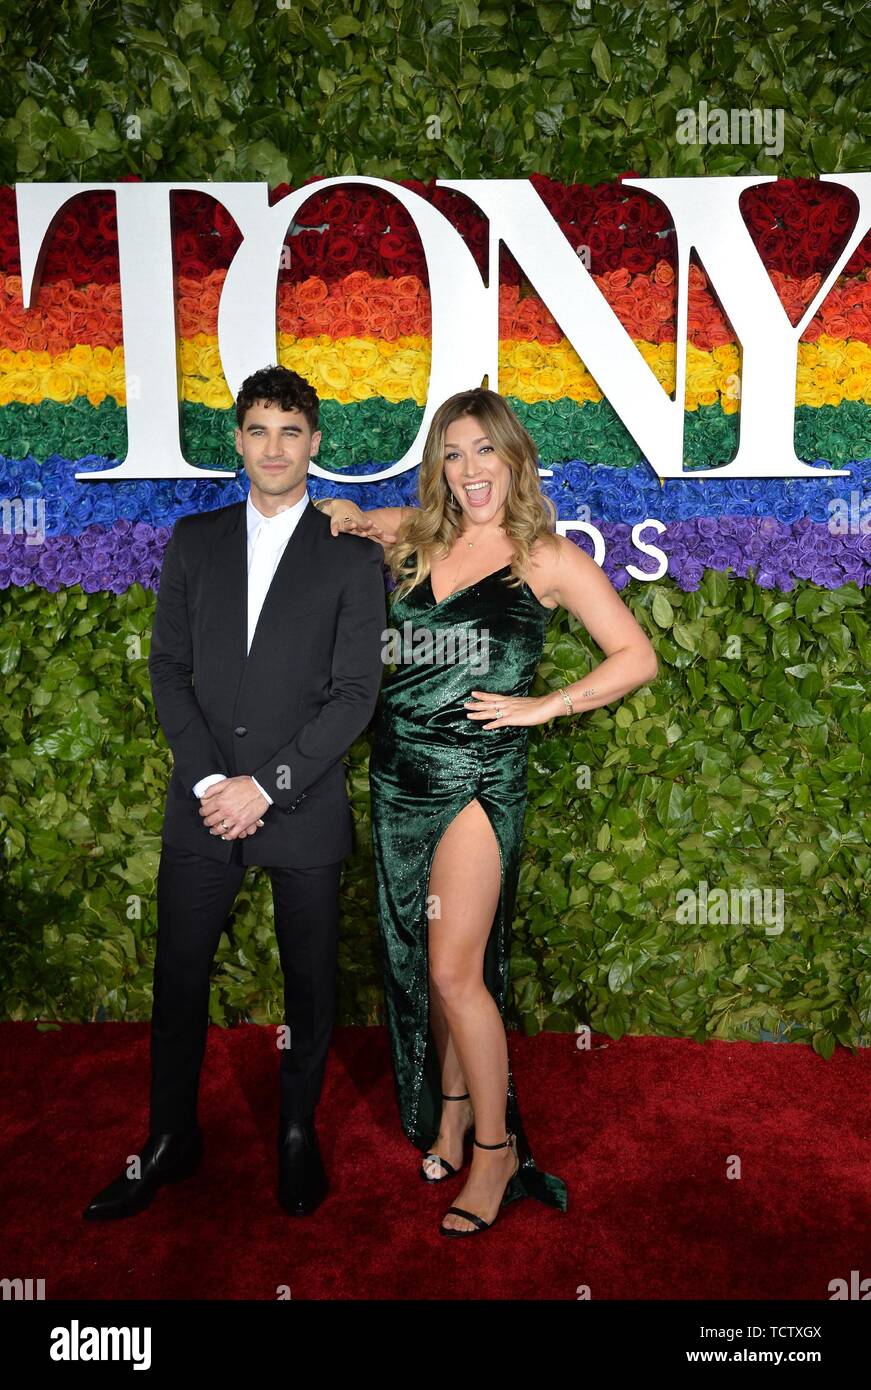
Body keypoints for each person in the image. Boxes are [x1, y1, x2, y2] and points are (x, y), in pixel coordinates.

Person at [317, 387, 658, 1236]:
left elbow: (636, 658)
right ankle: (454, 1109)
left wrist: (542, 708)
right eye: (454, 454)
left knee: (452, 972)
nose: (470, 471)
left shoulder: (547, 558)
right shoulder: (419, 534)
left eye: (485, 452)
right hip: (398, 773)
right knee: (420, 959)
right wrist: (347, 511)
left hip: (474, 775)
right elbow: (355, 514)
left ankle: (497, 1152)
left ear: (514, 459)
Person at [83, 365, 386, 1222]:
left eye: (291, 431)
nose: (274, 447)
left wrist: (271, 784)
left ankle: (296, 1133)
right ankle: (169, 1139)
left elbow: (353, 697)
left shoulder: (351, 557)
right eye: (258, 430)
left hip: (300, 808)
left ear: (315, 444)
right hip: (204, 800)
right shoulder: (195, 540)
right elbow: (167, 671)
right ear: (240, 440)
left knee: (310, 986)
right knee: (177, 977)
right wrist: (218, 782)